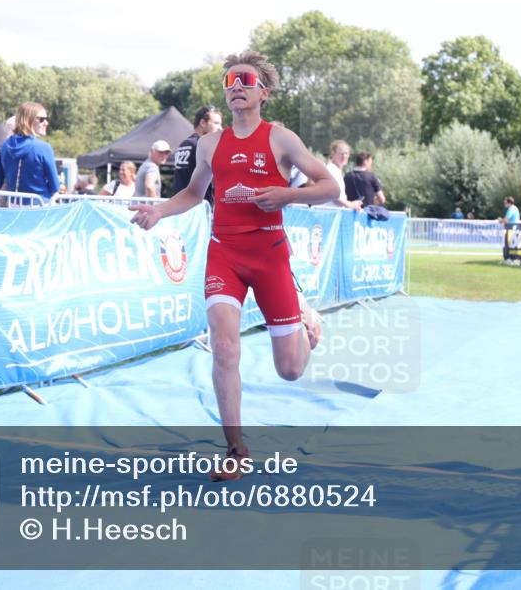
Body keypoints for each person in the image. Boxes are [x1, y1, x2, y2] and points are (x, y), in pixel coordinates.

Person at [130, 51, 339, 479]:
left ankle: (306, 320)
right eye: (229, 81)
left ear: (264, 93)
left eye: (245, 80)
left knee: (290, 370)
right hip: (224, 254)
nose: (236, 86)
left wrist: (287, 195)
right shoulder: (210, 144)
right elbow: (194, 193)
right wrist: (159, 211)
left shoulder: (281, 139)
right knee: (224, 349)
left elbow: (329, 186)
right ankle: (235, 449)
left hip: (270, 255)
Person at [0, 102, 60, 203]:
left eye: (47, 119)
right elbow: (54, 186)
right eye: (41, 119)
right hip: (39, 206)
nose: (46, 123)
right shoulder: (44, 148)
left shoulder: (4, 146)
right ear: (28, 120)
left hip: (12, 206)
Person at [173, 105, 223, 201]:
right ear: (203, 123)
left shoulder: (183, 144)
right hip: (198, 203)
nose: (220, 128)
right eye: (216, 123)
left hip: (180, 203)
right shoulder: (202, 146)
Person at [319, 140, 362, 210]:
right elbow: (334, 195)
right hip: (328, 212)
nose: (344, 156)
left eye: (346, 153)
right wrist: (351, 205)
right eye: (341, 153)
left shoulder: (336, 171)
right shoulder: (331, 170)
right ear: (333, 153)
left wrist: (353, 205)